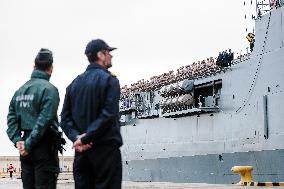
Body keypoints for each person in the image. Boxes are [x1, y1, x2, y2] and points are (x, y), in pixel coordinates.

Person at [60, 39, 123, 189]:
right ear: (101, 54)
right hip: (105, 152)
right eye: (109, 53)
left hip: (82, 154)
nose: (111, 56)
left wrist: (77, 138)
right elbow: (108, 114)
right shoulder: (110, 80)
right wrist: (87, 137)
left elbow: (64, 118)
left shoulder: (74, 84)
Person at [7, 48, 60, 189]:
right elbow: (44, 120)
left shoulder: (20, 91)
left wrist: (18, 141)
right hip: (43, 146)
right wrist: (29, 144)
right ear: (51, 68)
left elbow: (11, 120)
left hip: (25, 148)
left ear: (34, 66)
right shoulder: (50, 90)